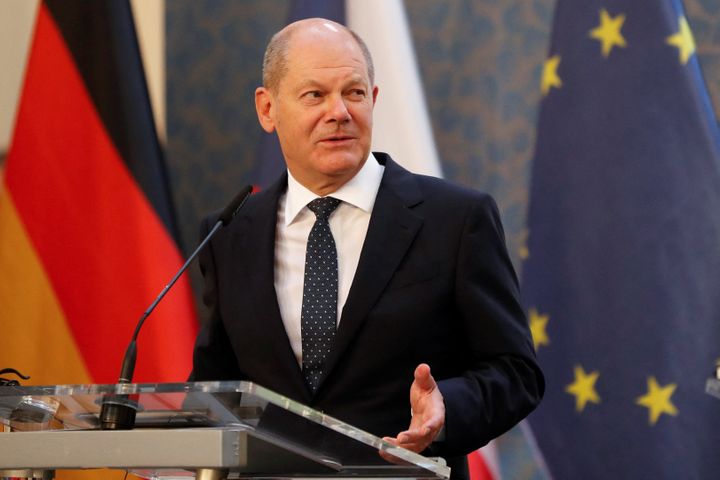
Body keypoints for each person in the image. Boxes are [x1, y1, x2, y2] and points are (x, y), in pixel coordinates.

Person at [190, 17, 543, 479]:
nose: (339, 111)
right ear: (268, 108)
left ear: (373, 99)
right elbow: (215, 386)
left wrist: (446, 409)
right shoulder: (231, 233)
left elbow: (515, 371)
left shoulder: (455, 219)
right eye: (315, 95)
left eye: (354, 93)